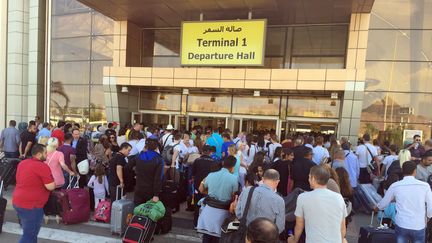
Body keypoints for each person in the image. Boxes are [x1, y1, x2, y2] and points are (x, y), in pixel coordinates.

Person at [288, 165, 347, 243]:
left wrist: (294, 240)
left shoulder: (303, 198)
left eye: (309, 177)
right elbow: (342, 227)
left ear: (313, 178)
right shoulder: (339, 197)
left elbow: (299, 225)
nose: (308, 180)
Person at [376, 161, 432, 243]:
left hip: (402, 224)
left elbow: (383, 203)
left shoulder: (395, 185)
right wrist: (428, 217)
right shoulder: (425, 186)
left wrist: (377, 208)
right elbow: (431, 205)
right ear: (415, 171)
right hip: (419, 225)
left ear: (402, 171)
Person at [12, 144, 55, 243]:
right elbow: (51, 186)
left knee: (30, 233)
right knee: (29, 235)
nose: (47, 155)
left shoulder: (23, 163)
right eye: (45, 153)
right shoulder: (42, 166)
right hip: (32, 206)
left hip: (18, 201)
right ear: (39, 154)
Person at [197, 156, 238, 243]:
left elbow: (201, 189)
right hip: (223, 214)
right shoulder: (234, 179)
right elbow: (234, 197)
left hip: (208, 211)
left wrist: (211, 192)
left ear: (223, 163)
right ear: (233, 167)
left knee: (206, 238)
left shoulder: (211, 175)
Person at [235, 169, 285, 235]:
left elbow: (238, 213)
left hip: (246, 234)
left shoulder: (247, 191)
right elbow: (279, 228)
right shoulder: (279, 200)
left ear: (263, 179)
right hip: (265, 238)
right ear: (277, 182)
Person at [126, 138, 163, 206]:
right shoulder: (159, 159)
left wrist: (135, 174)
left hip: (139, 188)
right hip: (151, 190)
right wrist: (156, 194)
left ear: (146, 146)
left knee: (137, 210)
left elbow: (128, 167)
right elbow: (158, 178)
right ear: (157, 147)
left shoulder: (139, 156)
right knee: (149, 212)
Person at [191, 145, 219, 227]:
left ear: (202, 152)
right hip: (208, 186)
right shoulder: (214, 162)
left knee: (197, 205)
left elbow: (193, 175)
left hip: (197, 186)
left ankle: (196, 223)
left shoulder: (197, 160)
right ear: (210, 152)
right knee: (208, 205)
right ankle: (205, 224)